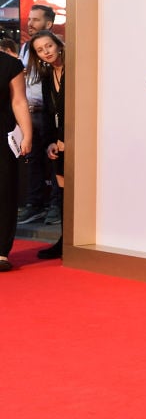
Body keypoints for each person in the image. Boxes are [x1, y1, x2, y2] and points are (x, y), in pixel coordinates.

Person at [18, 5, 60, 226]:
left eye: (35, 19)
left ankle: (55, 205)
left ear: (49, 24)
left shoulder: (55, 49)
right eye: (29, 19)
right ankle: (34, 204)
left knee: (55, 161)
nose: (30, 23)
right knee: (32, 160)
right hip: (30, 114)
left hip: (51, 114)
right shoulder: (26, 48)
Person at [27, 30, 65, 260]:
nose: (46, 52)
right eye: (40, 50)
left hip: (78, 138)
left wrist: (65, 138)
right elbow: (51, 114)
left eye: (48, 46)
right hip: (59, 143)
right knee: (62, 192)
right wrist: (52, 141)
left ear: (58, 44)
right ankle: (65, 240)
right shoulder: (46, 75)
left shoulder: (75, 68)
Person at [0, 40, 32, 271]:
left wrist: (27, 135)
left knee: (4, 190)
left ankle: (1, 251)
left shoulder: (10, 64)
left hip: (2, 136)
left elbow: (19, 101)